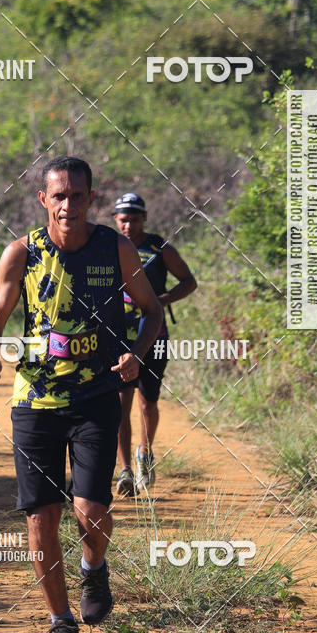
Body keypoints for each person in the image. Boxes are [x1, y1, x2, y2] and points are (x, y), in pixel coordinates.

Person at [0, 158, 162, 633]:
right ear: (44, 200)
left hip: (97, 396)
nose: (68, 205)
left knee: (91, 511)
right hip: (36, 399)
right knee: (41, 516)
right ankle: (61, 622)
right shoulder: (21, 254)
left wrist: (135, 353)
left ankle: (93, 570)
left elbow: (152, 311)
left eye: (76, 196)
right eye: (58, 196)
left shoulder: (117, 248)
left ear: (91, 198)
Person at [112, 193, 197, 495]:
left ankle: (145, 455)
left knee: (148, 400)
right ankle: (124, 470)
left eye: (135, 219)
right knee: (120, 403)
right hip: (118, 336)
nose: (129, 224)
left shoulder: (159, 248)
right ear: (115, 219)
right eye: (123, 219)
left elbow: (189, 281)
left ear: (144, 218)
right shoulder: (108, 248)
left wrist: (163, 299)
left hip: (154, 336)